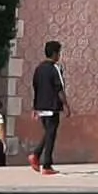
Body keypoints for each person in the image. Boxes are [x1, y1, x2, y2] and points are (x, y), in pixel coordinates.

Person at [30, 40, 66, 174]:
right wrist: (66, 105)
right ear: (55, 53)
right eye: (59, 53)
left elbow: (36, 87)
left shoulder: (38, 69)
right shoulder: (55, 68)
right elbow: (59, 89)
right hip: (52, 106)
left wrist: (35, 107)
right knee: (51, 134)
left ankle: (37, 156)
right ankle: (45, 164)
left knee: (48, 133)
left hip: (40, 106)